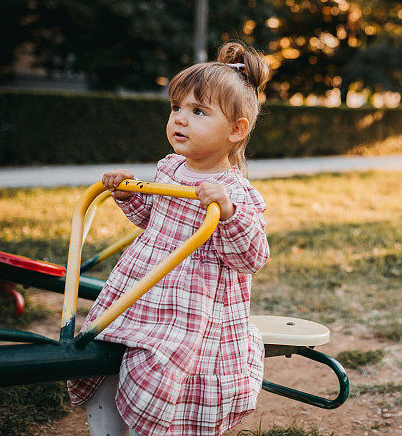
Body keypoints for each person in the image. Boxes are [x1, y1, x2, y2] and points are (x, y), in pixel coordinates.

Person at [68, 41, 271, 436]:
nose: (180, 119)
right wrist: (128, 195)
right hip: (142, 290)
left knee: (158, 370)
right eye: (176, 107)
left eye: (198, 111)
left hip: (192, 307)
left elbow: (253, 257)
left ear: (236, 129)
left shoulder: (237, 191)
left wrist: (227, 212)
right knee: (100, 354)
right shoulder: (169, 168)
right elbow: (155, 219)